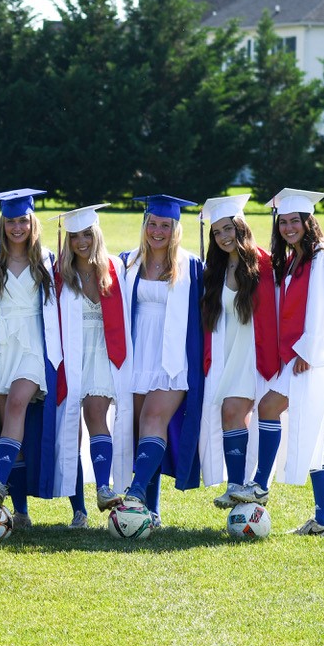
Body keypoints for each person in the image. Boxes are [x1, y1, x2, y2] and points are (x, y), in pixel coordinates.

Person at [235, 189, 324, 536]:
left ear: (308, 222)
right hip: (300, 352)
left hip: (314, 355)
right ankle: (323, 521)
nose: (288, 228)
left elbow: (323, 306)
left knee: (269, 407)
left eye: (294, 221)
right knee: (317, 437)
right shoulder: (294, 260)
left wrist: (306, 352)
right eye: (282, 222)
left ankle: (259, 485)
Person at [0, 189, 62, 527]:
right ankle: (21, 510)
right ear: (2, 223)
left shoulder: (48, 261)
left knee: (16, 404)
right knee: (10, 428)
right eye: (10, 221)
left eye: (23, 220)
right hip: (1, 349)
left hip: (33, 347)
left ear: (32, 221)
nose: (17, 227)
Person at [119, 195, 204, 525]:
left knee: (154, 418)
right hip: (136, 353)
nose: (157, 231)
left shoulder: (191, 267)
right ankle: (150, 510)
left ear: (175, 228)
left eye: (165, 225)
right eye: (152, 224)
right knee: (141, 429)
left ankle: (135, 492)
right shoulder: (127, 263)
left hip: (173, 359)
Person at [197, 195, 280, 509]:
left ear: (241, 227)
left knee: (233, 409)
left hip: (255, 350)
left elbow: (291, 297)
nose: (223, 236)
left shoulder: (265, 264)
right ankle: (235, 486)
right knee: (230, 414)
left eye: (228, 228)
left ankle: (252, 484)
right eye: (217, 232)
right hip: (228, 351)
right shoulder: (215, 269)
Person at [50, 204, 134, 513]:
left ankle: (102, 488)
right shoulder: (58, 274)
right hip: (70, 355)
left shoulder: (116, 268)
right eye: (74, 236)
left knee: (95, 413)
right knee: (70, 427)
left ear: (96, 234)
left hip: (103, 351)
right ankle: (78, 510)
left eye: (87, 234)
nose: (81, 242)